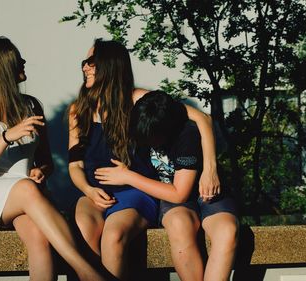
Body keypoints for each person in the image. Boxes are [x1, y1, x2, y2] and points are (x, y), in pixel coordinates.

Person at [68, 39, 223, 280]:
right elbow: (75, 164)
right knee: (84, 234)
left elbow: (202, 118)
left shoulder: (139, 99)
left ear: (110, 66)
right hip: (94, 193)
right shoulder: (78, 110)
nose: (84, 68)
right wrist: (87, 189)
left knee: (112, 236)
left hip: (135, 190)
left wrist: (210, 168)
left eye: (91, 62)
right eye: (84, 63)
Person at [0, 37, 104, 281]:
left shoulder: (31, 106)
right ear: (1, 67)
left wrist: (41, 171)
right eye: (17, 59)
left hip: (28, 196)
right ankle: (86, 271)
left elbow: (46, 161)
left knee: (39, 238)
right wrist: (5, 137)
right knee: (25, 187)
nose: (23, 62)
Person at [95, 90, 239, 281]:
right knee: (179, 224)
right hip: (171, 196)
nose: (145, 142)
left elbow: (179, 194)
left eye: (151, 139)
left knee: (227, 231)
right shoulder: (143, 112)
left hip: (203, 191)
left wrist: (128, 176)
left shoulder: (186, 134)